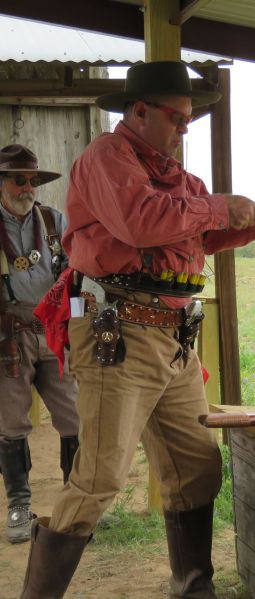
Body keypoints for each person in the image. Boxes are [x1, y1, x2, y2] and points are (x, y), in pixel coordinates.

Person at [20, 61, 255, 599]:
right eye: (177, 118)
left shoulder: (183, 182)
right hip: (117, 334)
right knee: (99, 479)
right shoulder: (107, 156)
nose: (184, 130)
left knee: (196, 467)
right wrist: (220, 206)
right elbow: (141, 221)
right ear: (140, 111)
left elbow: (199, 238)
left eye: (189, 120)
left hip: (175, 338)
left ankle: (193, 589)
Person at [0, 144, 79, 544]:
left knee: (75, 415)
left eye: (33, 180)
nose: (28, 187)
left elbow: (78, 272)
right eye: (19, 180)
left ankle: (76, 504)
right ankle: (18, 505)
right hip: (8, 335)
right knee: (11, 420)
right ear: (1, 184)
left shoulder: (54, 221)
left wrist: (77, 322)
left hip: (54, 330)